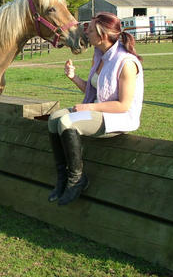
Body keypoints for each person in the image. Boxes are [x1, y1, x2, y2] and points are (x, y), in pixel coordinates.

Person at [47, 12, 144, 206]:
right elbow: (95, 90)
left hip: (118, 117)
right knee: (54, 118)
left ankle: (76, 180)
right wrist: (73, 77)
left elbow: (123, 105)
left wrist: (89, 107)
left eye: (90, 30)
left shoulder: (126, 63)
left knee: (67, 122)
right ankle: (62, 178)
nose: (86, 34)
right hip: (99, 111)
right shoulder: (100, 57)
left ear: (103, 35)